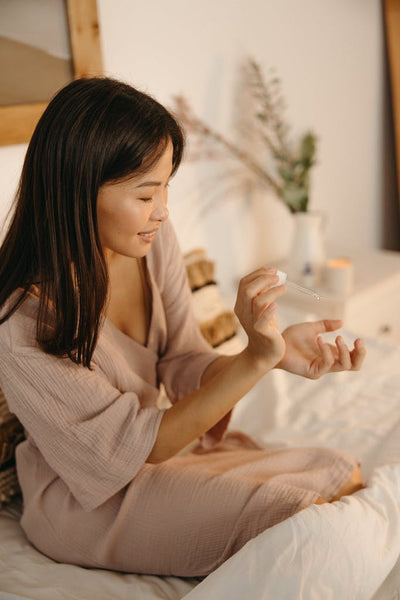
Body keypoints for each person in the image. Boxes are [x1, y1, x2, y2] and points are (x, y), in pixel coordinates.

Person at [0, 77, 365, 577]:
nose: (163, 211)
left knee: (342, 477)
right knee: (304, 522)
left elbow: (182, 360)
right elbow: (138, 447)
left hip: (161, 452)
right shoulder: (21, 327)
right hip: (89, 498)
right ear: (76, 191)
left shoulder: (150, 243)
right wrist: (257, 360)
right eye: (146, 194)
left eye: (167, 186)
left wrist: (271, 350)